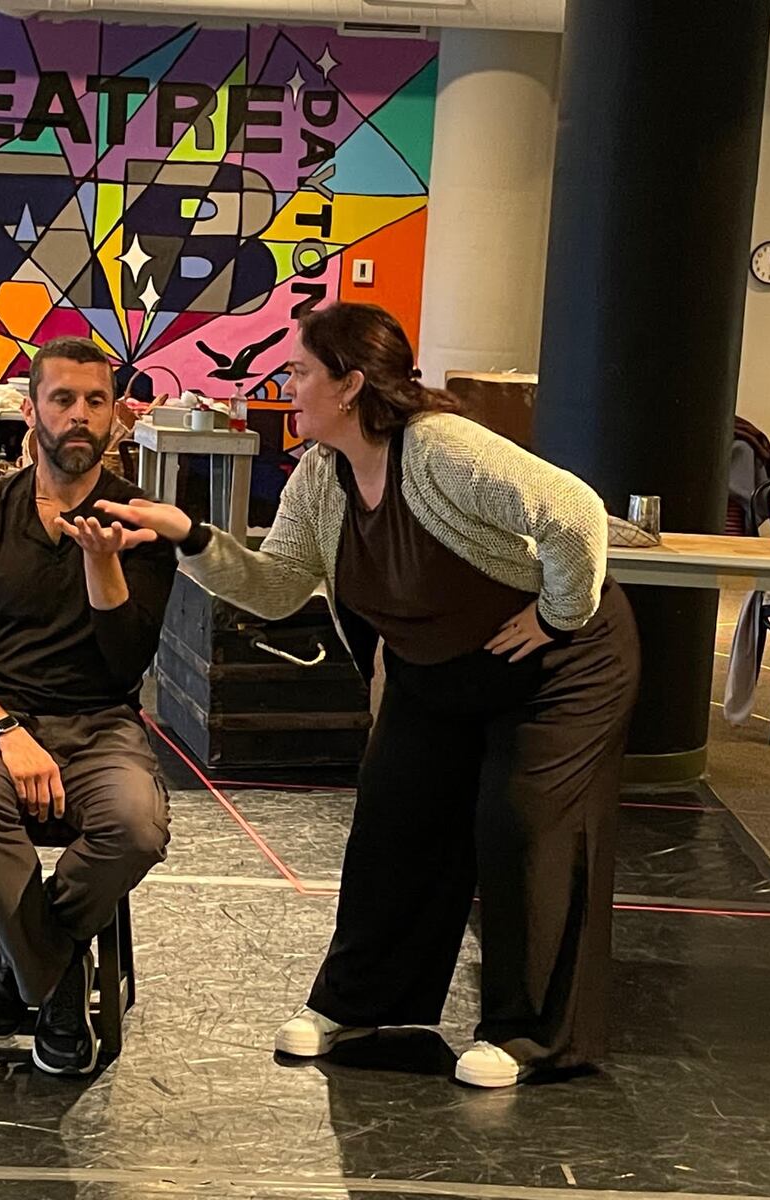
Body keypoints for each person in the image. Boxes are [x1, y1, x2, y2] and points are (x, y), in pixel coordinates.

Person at [95, 303, 640, 1088]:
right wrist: (189, 536)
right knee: (393, 823)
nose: (289, 384)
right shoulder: (322, 477)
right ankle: (364, 1004)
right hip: (442, 667)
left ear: (350, 384)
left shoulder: (440, 448)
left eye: (301, 370)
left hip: (563, 665)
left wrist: (557, 617)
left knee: (522, 823)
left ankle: (530, 1035)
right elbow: (279, 587)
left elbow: (575, 514)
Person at [0, 336, 178, 1076]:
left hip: (102, 721)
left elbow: (127, 665)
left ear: (116, 417)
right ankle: (61, 983)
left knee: (136, 826)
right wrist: (7, 732)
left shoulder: (143, 523)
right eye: (62, 399)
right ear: (30, 410)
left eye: (94, 401)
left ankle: (14, 973)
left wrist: (104, 563)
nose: (79, 415)